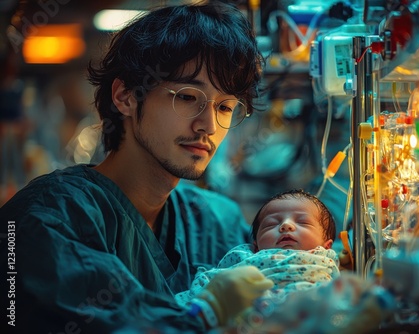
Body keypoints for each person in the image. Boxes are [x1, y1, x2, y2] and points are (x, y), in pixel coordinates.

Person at [0, 1, 275, 333]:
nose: (208, 126)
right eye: (188, 97)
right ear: (126, 96)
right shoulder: (48, 218)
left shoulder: (218, 222)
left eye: (226, 106)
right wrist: (206, 315)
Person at [176, 189, 340, 311]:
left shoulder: (325, 261)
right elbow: (212, 281)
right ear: (256, 246)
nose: (285, 226)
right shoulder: (242, 257)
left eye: (303, 222)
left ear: (327, 246)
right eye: (271, 224)